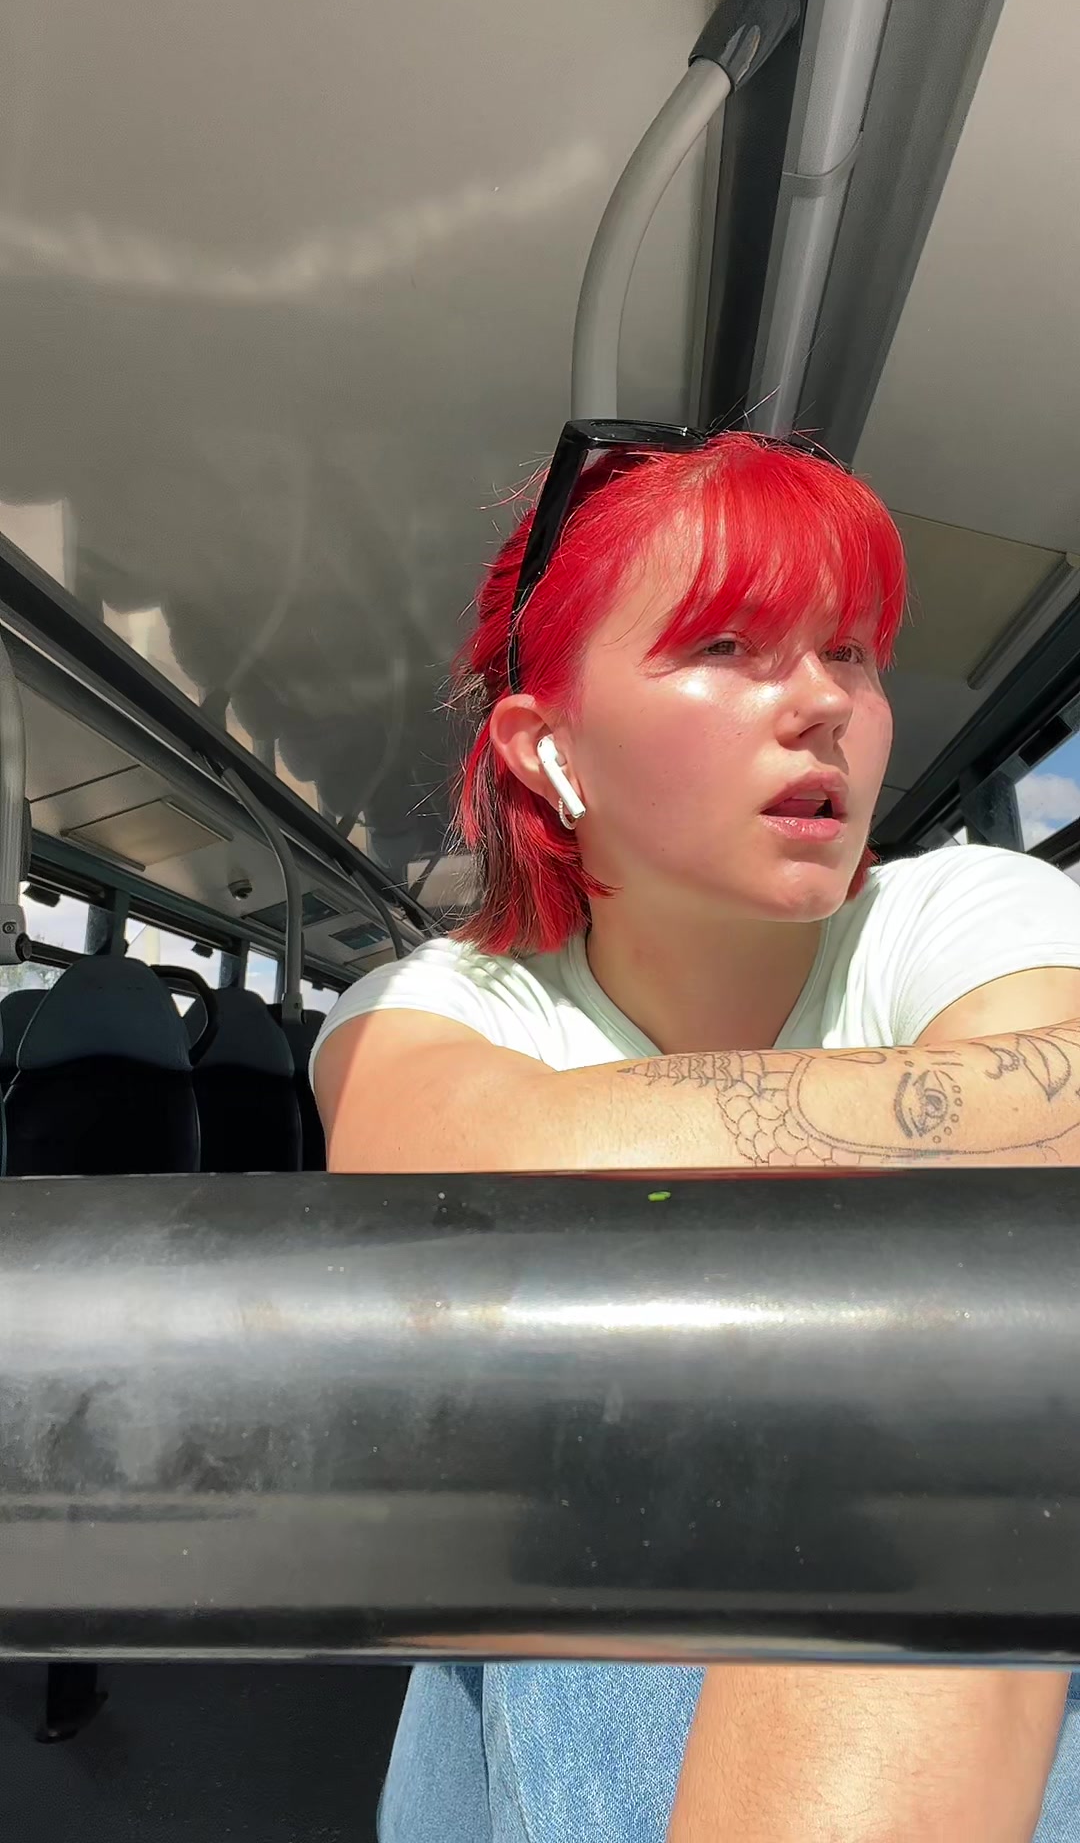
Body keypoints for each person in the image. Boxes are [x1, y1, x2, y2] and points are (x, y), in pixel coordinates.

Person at [313, 426, 1080, 1841]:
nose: (826, 704)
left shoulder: (965, 906)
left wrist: (574, 1135)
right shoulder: (443, 998)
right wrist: (946, 1127)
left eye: (851, 652)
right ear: (547, 750)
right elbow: (412, 1169)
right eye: (728, 646)